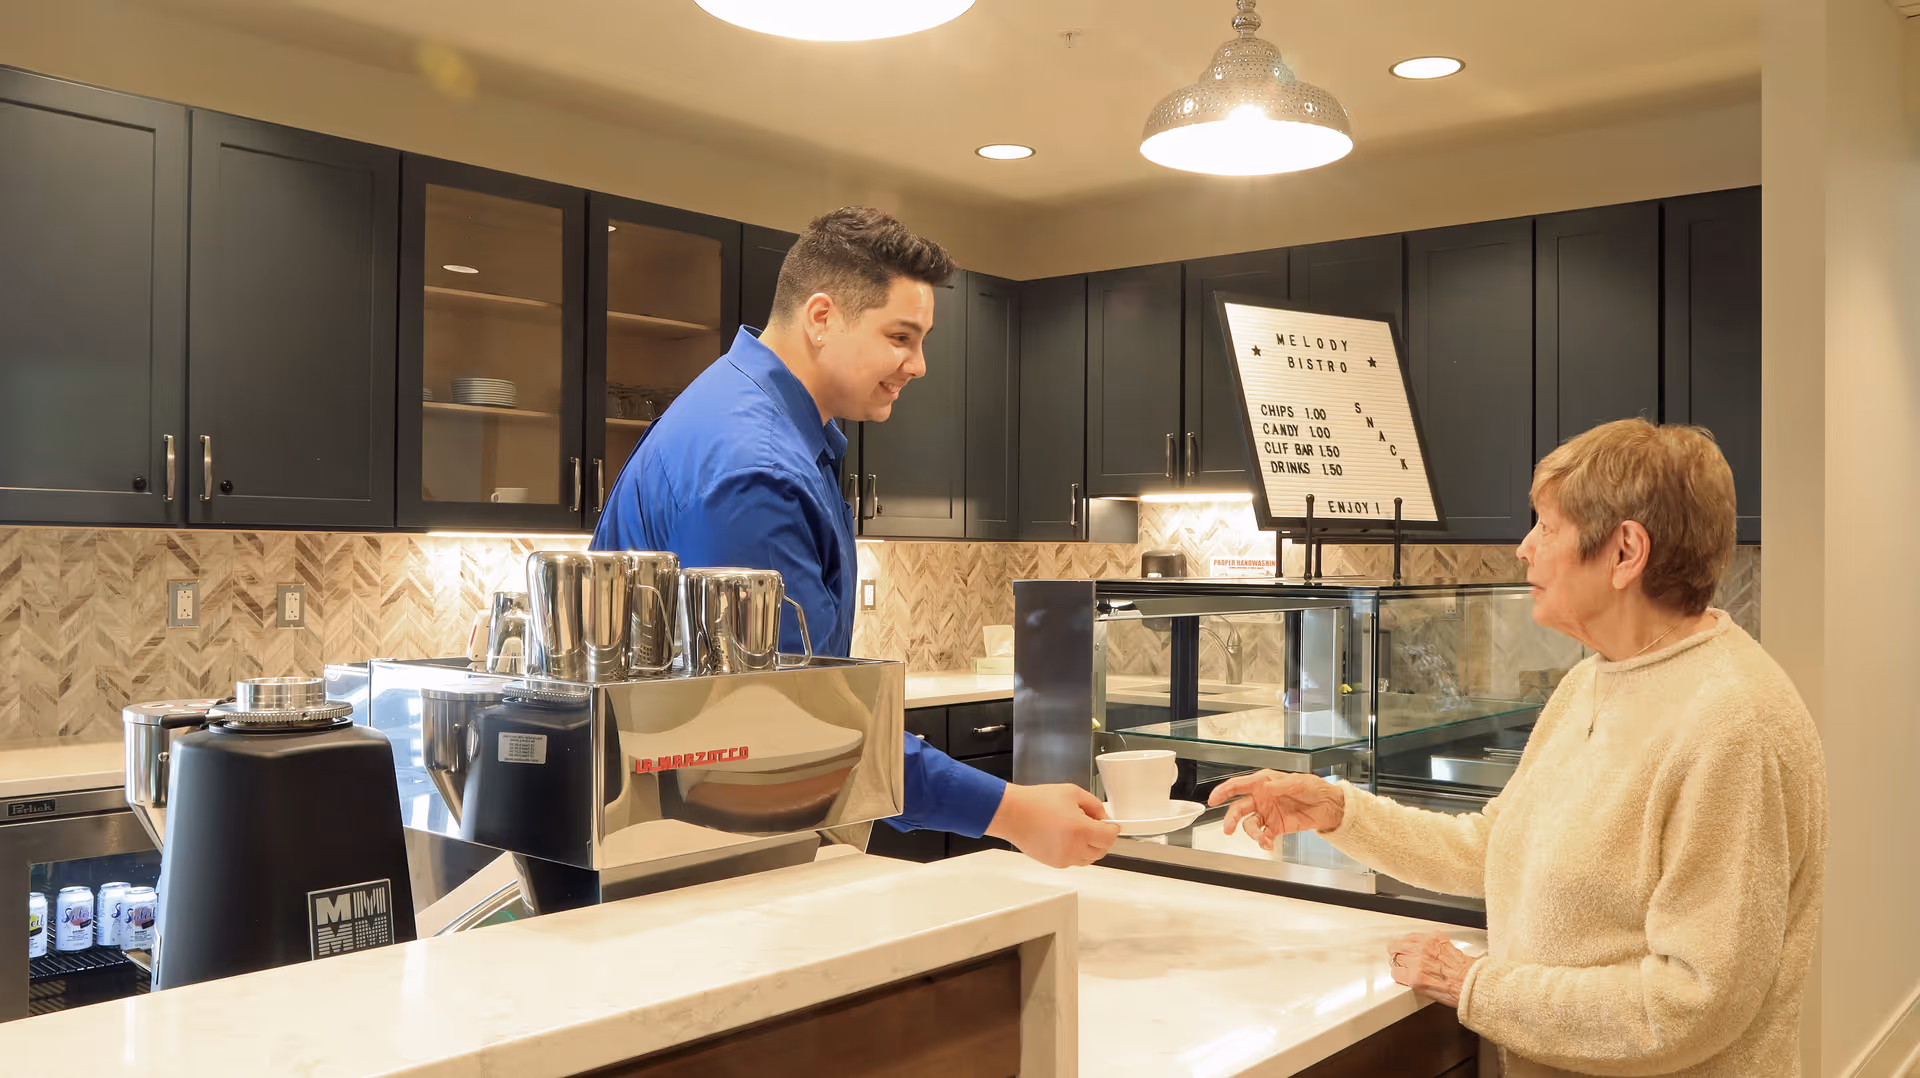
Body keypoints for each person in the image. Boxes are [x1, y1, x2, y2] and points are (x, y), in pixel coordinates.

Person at [1208, 419, 1827, 1077]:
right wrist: (1339, 812)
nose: (1523, 549)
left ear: (1625, 552)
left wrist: (1473, 985)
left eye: (1547, 527)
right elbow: (1499, 848)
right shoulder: (1592, 681)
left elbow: (1690, 1003)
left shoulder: (1733, 724)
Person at [592, 206, 1119, 869]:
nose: (919, 364)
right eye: (901, 336)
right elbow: (795, 725)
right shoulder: (753, 471)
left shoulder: (751, 417)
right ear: (821, 318)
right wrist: (1013, 813)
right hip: (688, 846)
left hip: (702, 822)